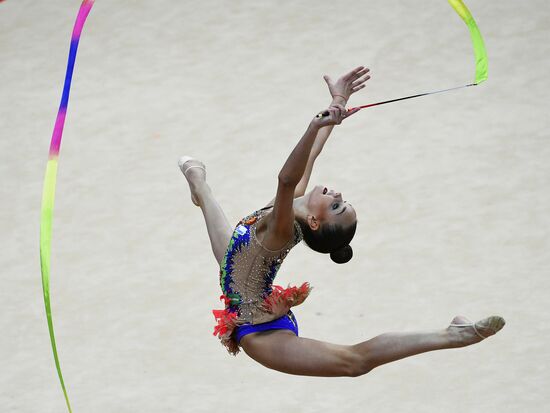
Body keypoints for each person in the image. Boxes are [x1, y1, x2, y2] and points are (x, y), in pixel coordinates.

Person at [178, 66, 505, 377]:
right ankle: (198, 183)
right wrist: (339, 102)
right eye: (341, 201)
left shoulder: (279, 226)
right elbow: (311, 156)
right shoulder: (297, 206)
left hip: (261, 331)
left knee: (354, 362)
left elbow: (285, 178)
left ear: (316, 222)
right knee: (226, 251)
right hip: (239, 271)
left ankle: (454, 335)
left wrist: (314, 125)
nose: (337, 194)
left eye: (336, 206)